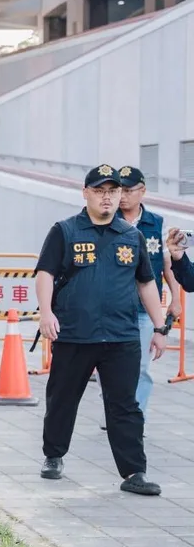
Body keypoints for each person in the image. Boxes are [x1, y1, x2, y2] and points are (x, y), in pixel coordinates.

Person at [34, 164, 168, 497]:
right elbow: (45, 274)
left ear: (120, 195)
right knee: (63, 398)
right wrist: (46, 313)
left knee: (125, 405)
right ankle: (53, 455)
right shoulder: (65, 231)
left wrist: (160, 326)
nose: (107, 198)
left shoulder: (131, 235)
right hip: (75, 334)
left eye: (112, 191)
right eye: (99, 191)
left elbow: (146, 282)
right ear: (86, 193)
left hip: (121, 336)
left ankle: (134, 471)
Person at [114, 166, 180, 416]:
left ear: (142, 191)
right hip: (112, 306)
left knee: (141, 367)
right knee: (109, 366)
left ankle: (134, 417)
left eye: (128, 190)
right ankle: (115, 410)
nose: (122, 196)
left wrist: (175, 298)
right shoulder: (107, 219)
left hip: (144, 309)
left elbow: (167, 264)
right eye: (120, 190)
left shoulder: (157, 224)